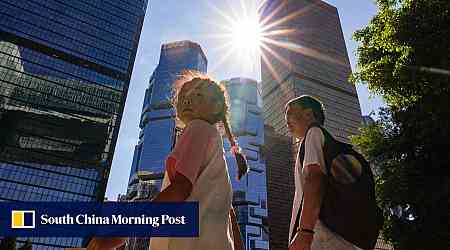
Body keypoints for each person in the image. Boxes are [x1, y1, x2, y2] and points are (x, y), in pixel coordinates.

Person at [84, 71, 247, 250]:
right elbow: (228, 217)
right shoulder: (215, 150)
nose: (187, 99)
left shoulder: (197, 128)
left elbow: (180, 189)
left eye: (198, 94)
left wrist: (117, 237)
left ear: (215, 106)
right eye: (183, 95)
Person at [285, 95, 360, 250]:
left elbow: (314, 178)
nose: (286, 118)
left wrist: (304, 232)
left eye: (290, 112)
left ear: (308, 114)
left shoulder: (313, 133)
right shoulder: (320, 139)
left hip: (321, 237)